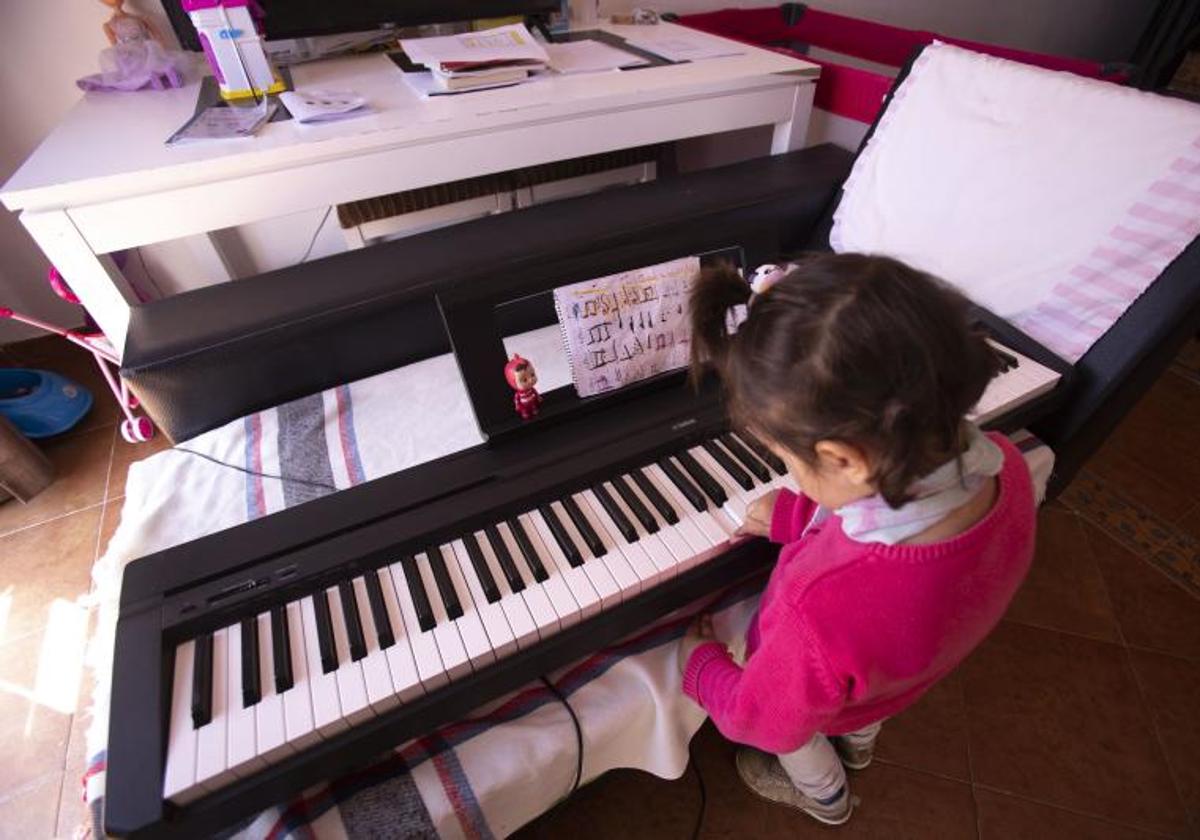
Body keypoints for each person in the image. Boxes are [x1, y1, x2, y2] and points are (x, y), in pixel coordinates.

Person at [679, 253, 1036, 825]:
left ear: (843, 458)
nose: (790, 472)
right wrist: (795, 516)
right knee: (862, 708)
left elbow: (762, 720)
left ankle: (827, 798)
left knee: (801, 741)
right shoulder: (1010, 469)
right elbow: (875, 522)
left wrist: (703, 668)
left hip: (822, 696)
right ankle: (862, 746)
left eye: (785, 458)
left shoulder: (817, 607)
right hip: (897, 674)